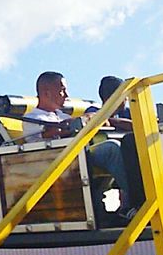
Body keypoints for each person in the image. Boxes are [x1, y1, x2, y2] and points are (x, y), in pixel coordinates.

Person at [23, 71, 137, 225]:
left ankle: (132, 201)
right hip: (57, 163)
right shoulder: (33, 118)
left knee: (128, 146)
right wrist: (83, 122)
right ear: (46, 92)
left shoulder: (61, 115)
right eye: (62, 90)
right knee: (110, 149)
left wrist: (91, 120)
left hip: (78, 156)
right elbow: (54, 131)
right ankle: (138, 201)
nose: (66, 95)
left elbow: (85, 123)